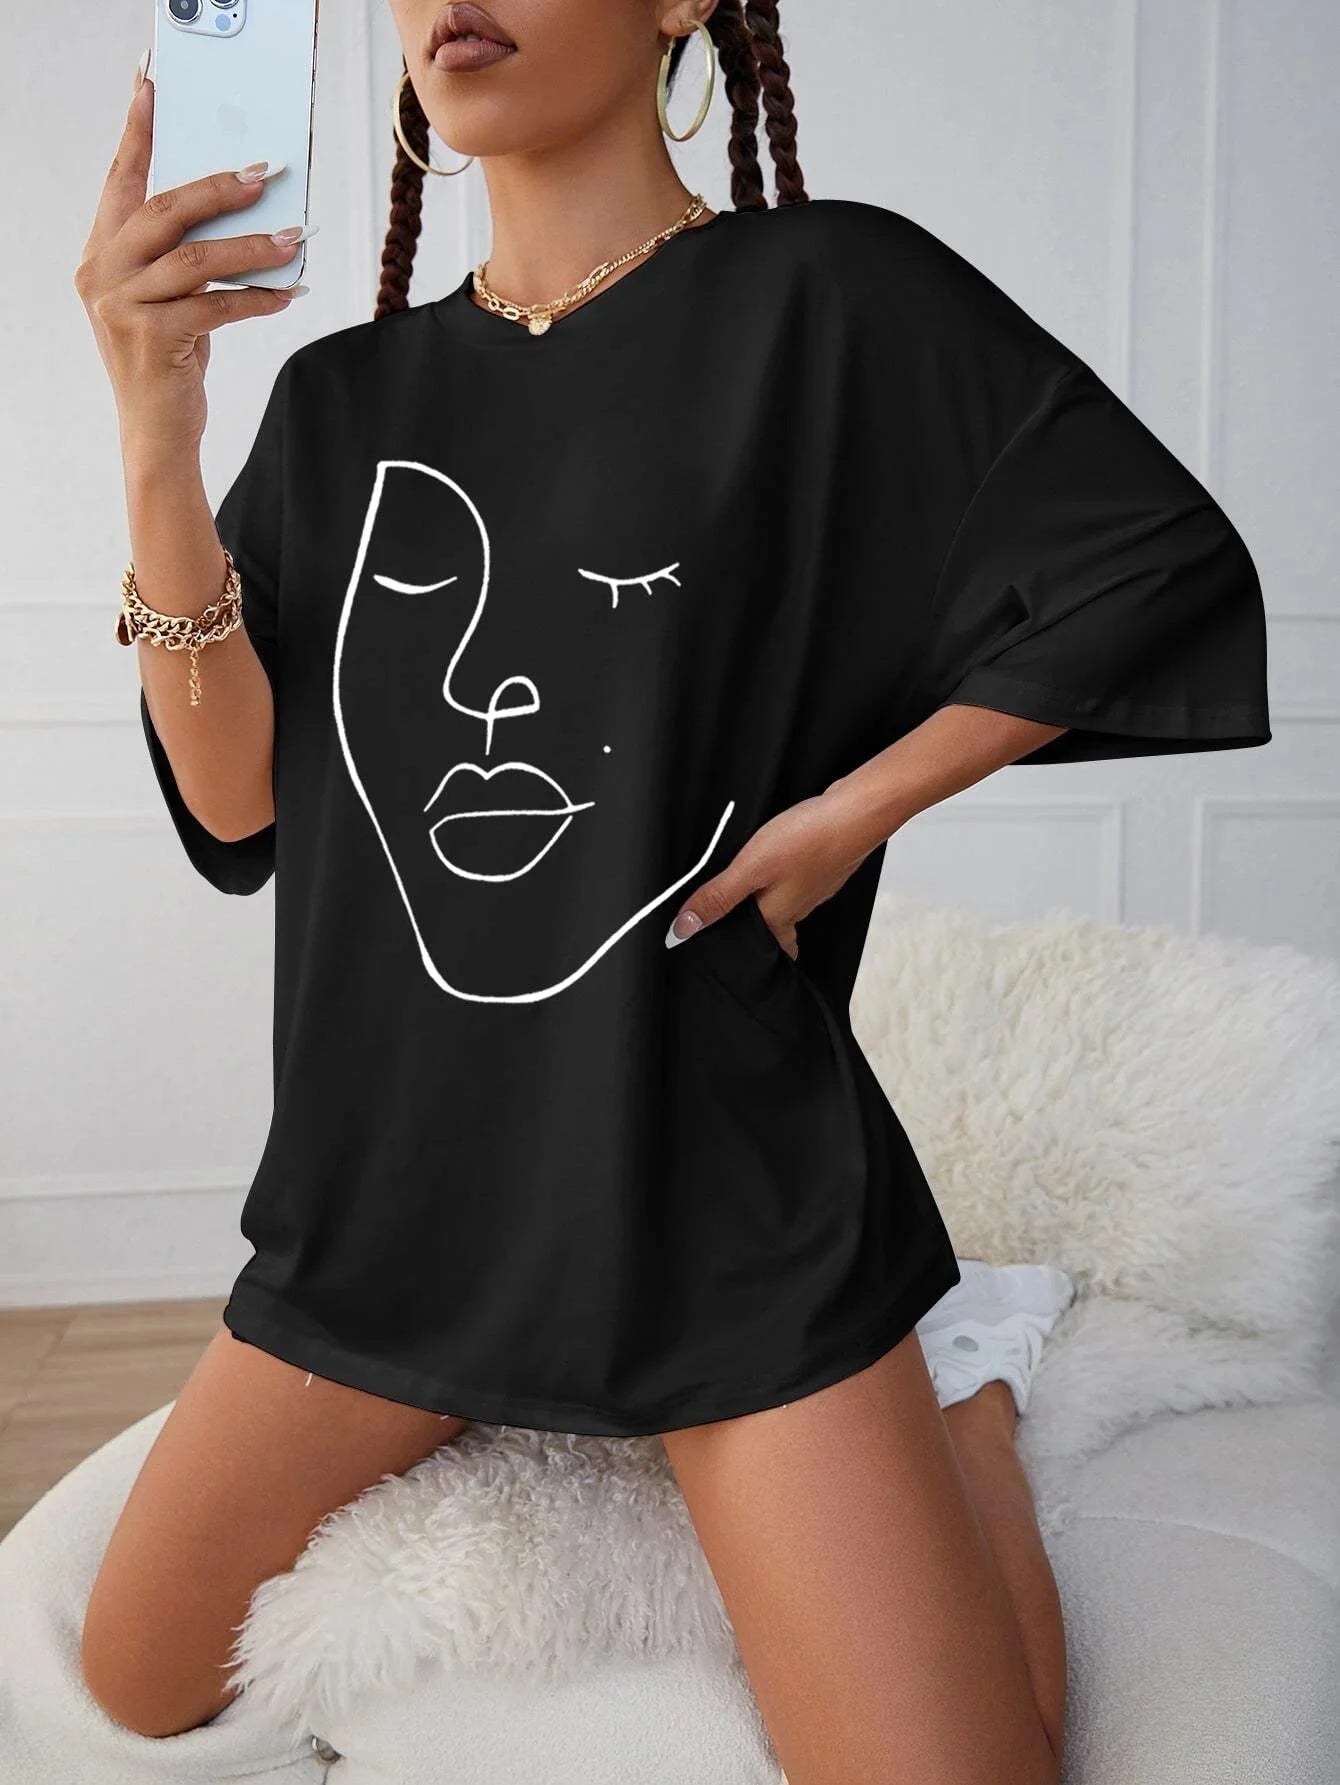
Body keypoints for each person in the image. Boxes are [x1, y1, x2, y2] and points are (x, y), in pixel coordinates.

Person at [72, 3, 1270, 1780]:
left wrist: (851, 812)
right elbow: (237, 796)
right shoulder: (341, 402)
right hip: (394, 1198)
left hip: (719, 1198)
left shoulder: (828, 304)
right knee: (134, 1671)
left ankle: (969, 1403)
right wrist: (156, 433)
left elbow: (1151, 564)